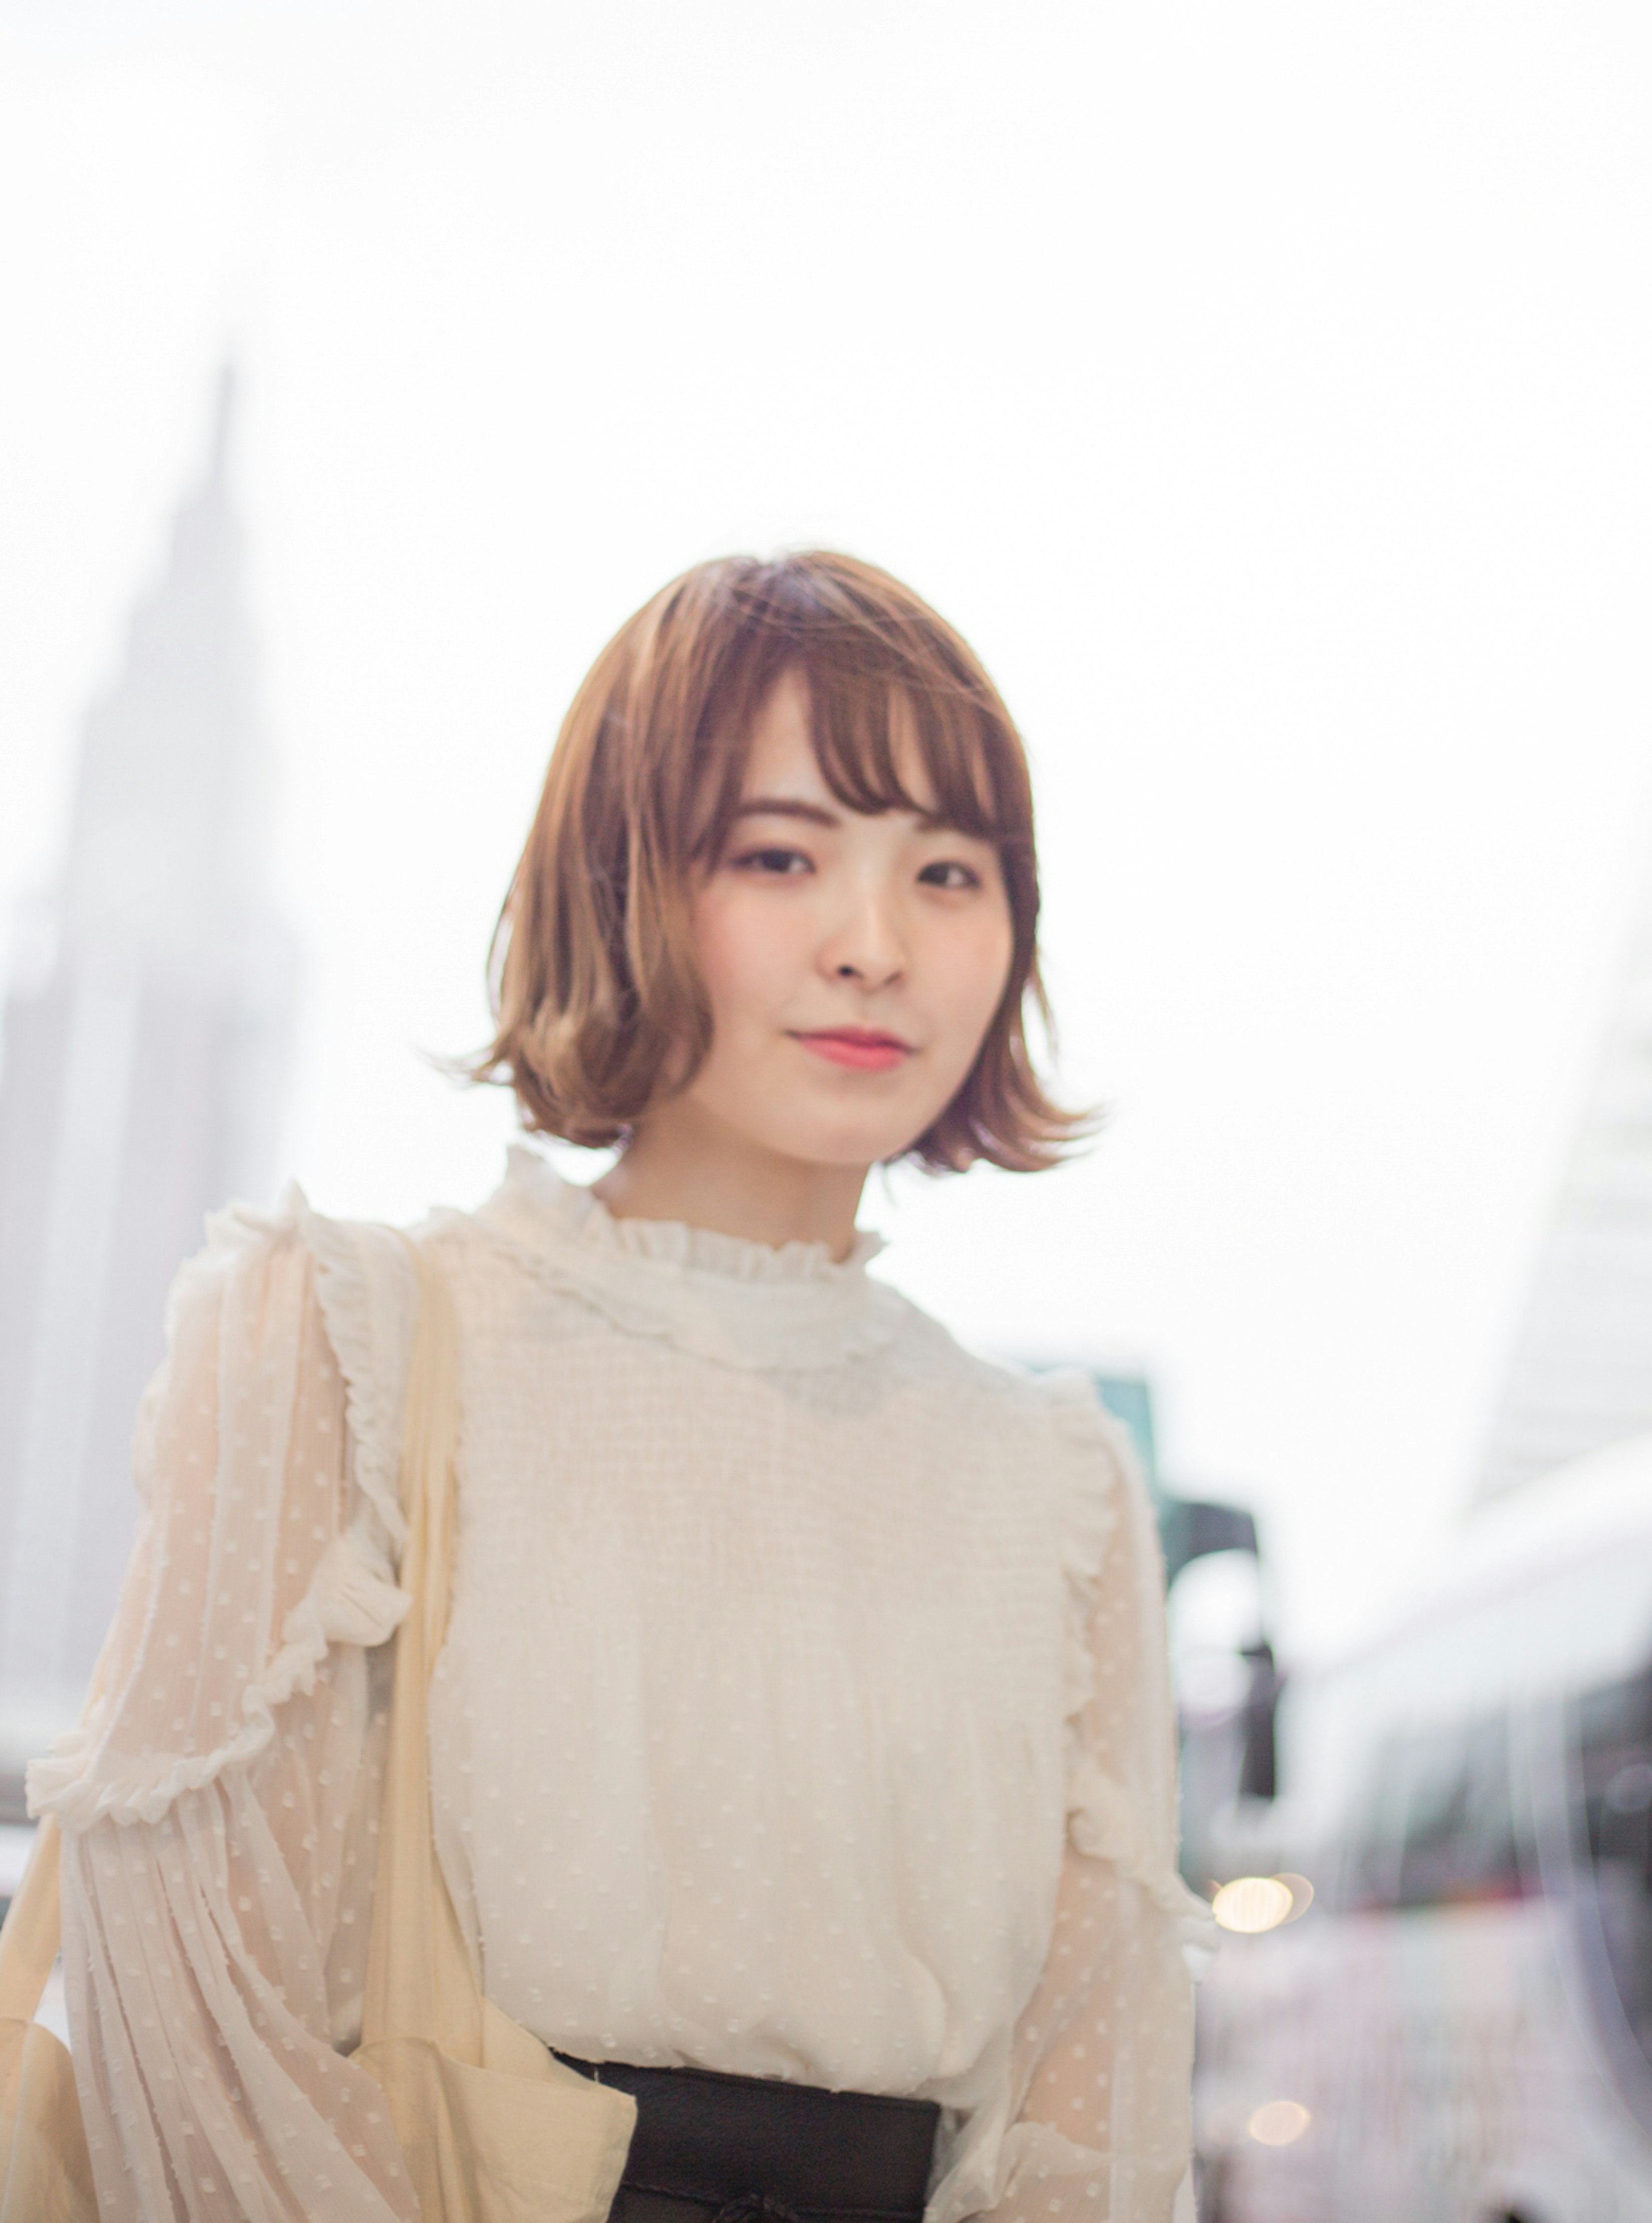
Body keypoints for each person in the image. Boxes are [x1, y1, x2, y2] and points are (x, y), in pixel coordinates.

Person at [27, 551, 1205, 2223]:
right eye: (782, 855)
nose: (875, 946)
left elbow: (1097, 2104)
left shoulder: (1054, 1482)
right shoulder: (350, 1335)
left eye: (948, 872)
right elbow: (196, 2003)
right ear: (623, 879)